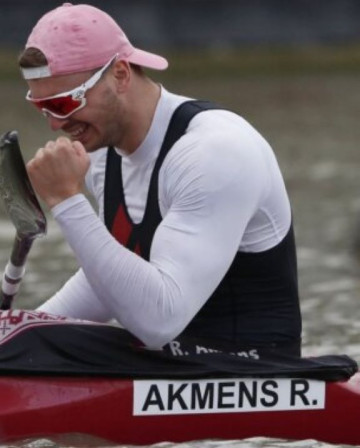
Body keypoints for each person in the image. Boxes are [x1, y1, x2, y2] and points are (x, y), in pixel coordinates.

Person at [21, 3, 302, 356]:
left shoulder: (214, 152)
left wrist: (66, 201)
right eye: (42, 107)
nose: (54, 124)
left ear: (121, 74)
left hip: (252, 375)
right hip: (171, 370)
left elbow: (159, 321)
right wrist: (20, 330)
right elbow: (112, 282)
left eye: (64, 103)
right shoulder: (100, 154)